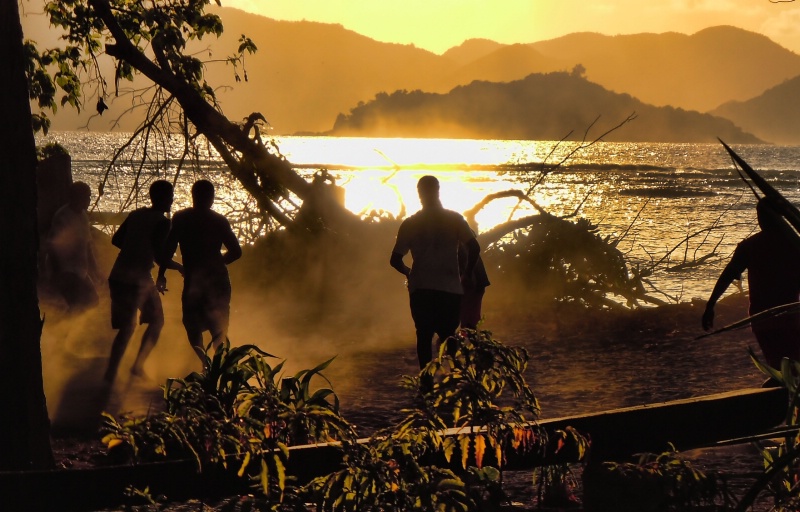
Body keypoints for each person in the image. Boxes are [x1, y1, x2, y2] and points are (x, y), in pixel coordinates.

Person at [390, 175, 480, 368]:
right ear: (438, 191)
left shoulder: (411, 223)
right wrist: (467, 273)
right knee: (449, 336)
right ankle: (455, 376)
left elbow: (395, 259)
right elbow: (474, 247)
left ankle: (426, 380)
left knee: (423, 335)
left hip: (421, 288)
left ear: (419, 194)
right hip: (449, 287)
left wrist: (408, 272)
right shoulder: (454, 219)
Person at [702, 197, 800, 368]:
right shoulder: (793, 244)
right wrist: (710, 305)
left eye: (761, 216)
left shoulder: (751, 246)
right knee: (789, 367)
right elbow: (728, 275)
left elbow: (727, 275)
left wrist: (711, 305)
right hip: (783, 318)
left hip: (769, 318)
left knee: (783, 367)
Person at [103, 180, 179, 383]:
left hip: (118, 276)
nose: (172, 199)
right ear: (162, 198)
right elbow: (160, 256)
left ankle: (111, 372)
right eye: (170, 195)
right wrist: (180, 267)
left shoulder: (136, 215)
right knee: (157, 321)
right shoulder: (162, 222)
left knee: (127, 328)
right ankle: (137, 366)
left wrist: (135, 248)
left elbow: (116, 240)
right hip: (138, 280)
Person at [160, 179, 242, 362]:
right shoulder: (218, 220)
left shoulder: (181, 218)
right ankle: (215, 368)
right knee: (217, 328)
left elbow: (168, 249)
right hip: (216, 279)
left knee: (193, 326)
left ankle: (206, 363)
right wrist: (217, 263)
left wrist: (161, 273)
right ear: (212, 199)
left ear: (193, 196)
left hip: (197, 279)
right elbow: (236, 252)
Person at [47, 181, 100, 313]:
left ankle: (68, 329)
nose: (89, 200)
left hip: (80, 270)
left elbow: (87, 246)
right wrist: (57, 274)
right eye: (86, 197)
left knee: (92, 301)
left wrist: (95, 269)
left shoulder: (83, 216)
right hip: (66, 271)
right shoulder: (63, 217)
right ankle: (66, 330)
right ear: (76, 197)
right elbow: (53, 246)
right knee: (79, 303)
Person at [459, 240, 490, 330]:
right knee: (469, 318)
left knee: (468, 320)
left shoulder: (460, 243)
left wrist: (467, 275)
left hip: (471, 282)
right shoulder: (464, 237)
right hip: (474, 281)